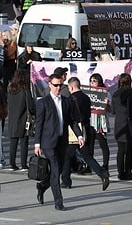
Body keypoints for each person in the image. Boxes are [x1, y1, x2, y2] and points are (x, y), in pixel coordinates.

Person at [34, 73, 84, 211]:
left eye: (60, 85)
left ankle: (42, 185)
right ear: (49, 85)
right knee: (55, 169)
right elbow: (39, 124)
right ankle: (59, 202)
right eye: (55, 85)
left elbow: (73, 122)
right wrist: (37, 144)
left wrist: (79, 136)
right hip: (48, 143)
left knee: (59, 169)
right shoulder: (43, 102)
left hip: (63, 141)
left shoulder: (67, 102)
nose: (58, 88)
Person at [60, 77, 110, 191]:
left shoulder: (71, 99)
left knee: (67, 156)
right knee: (87, 156)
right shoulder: (86, 98)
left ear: (71, 87)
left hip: (75, 130)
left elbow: (71, 117)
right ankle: (103, 174)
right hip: (86, 128)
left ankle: (66, 181)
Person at [112, 73, 132, 181]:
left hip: (119, 123)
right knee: (129, 151)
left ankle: (120, 172)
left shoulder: (115, 94)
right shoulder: (131, 93)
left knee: (120, 150)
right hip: (129, 123)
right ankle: (128, 172)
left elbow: (114, 111)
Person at [7, 69, 32, 171]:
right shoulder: (25, 89)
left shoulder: (10, 89)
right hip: (23, 118)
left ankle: (12, 163)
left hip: (12, 118)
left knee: (13, 141)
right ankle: (23, 164)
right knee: (24, 142)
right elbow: (30, 105)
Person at [88, 73, 110, 173]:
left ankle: (105, 165)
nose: (92, 83)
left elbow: (110, 109)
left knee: (103, 144)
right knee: (90, 145)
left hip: (100, 122)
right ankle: (89, 165)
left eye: (94, 81)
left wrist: (106, 104)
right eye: (91, 81)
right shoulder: (88, 93)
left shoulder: (105, 92)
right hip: (90, 121)